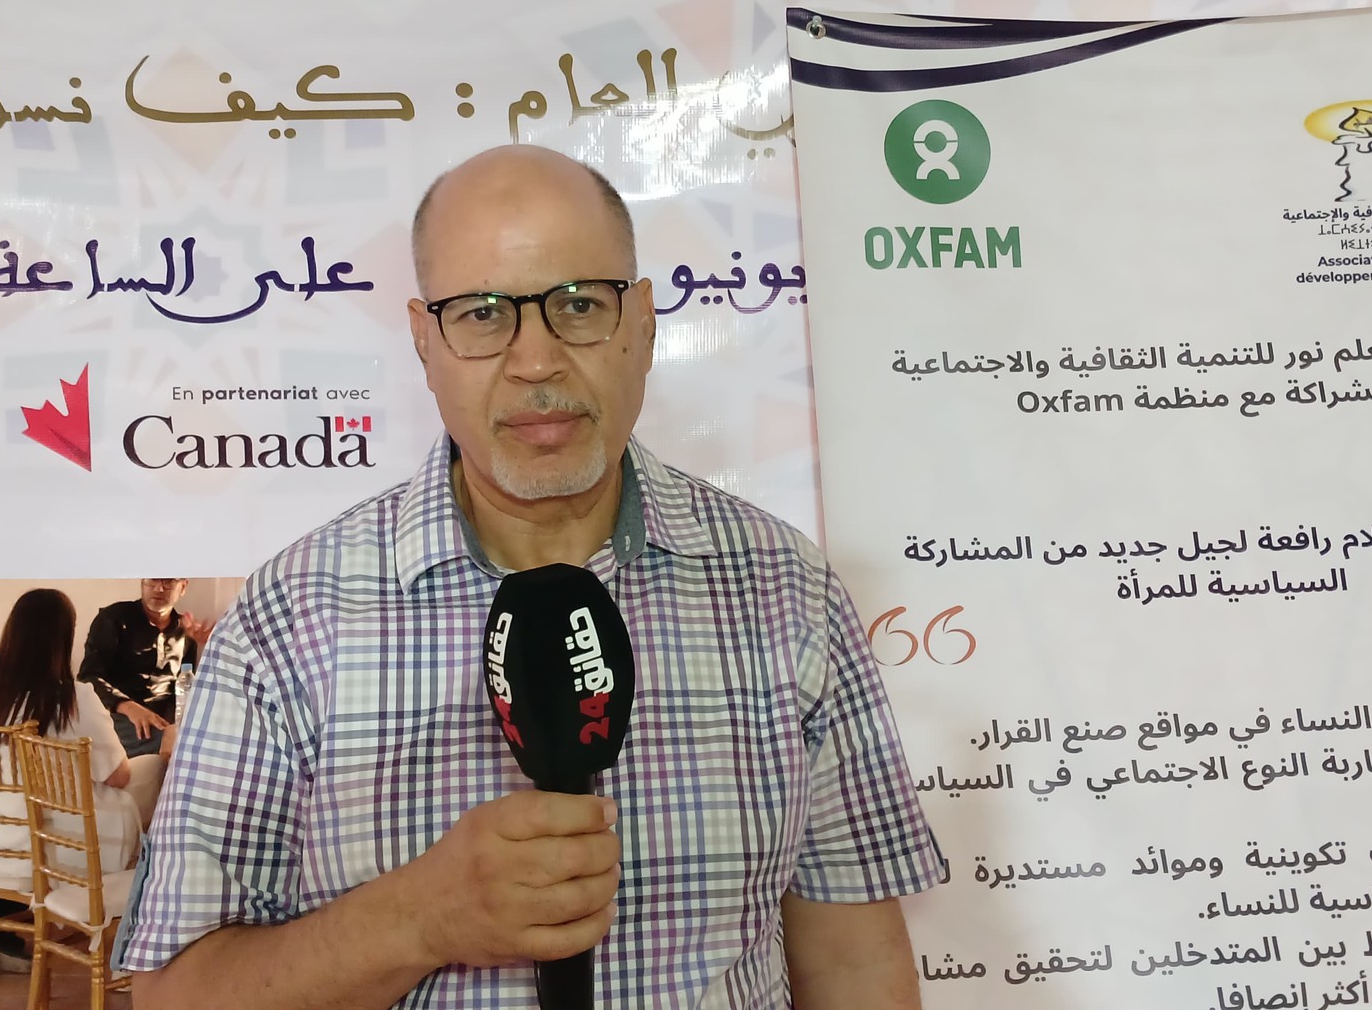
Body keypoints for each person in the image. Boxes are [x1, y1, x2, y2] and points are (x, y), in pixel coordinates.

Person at [120, 146, 942, 1009]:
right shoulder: (290, 618)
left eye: (580, 304)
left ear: (645, 322)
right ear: (424, 340)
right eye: (482, 314)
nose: (537, 361)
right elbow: (173, 995)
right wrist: (418, 918)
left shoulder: (787, 588)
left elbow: (855, 966)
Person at [0, 588, 152, 974]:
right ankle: (150, 891)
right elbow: (118, 776)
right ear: (63, 638)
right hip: (58, 852)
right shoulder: (71, 697)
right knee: (152, 769)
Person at [76, 579, 207, 757]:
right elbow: (88, 677)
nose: (158, 589)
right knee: (178, 744)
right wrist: (129, 707)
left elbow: (186, 688)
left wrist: (212, 646)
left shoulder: (185, 631)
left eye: (168, 582)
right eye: (152, 580)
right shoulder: (113, 618)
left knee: (202, 740)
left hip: (162, 722)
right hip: (117, 716)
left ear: (182, 587)